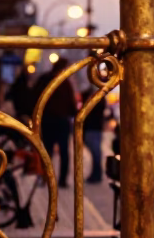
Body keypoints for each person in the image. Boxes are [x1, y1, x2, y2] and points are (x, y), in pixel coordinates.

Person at [33, 57, 80, 188]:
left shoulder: (47, 80)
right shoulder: (63, 82)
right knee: (60, 151)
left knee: (48, 151)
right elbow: (71, 103)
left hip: (50, 119)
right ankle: (59, 180)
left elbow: (36, 97)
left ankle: (45, 178)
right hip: (58, 120)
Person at [81, 84, 114, 184]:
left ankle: (97, 174)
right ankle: (96, 173)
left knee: (96, 153)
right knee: (95, 152)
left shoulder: (97, 100)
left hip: (93, 128)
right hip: (93, 128)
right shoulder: (95, 98)